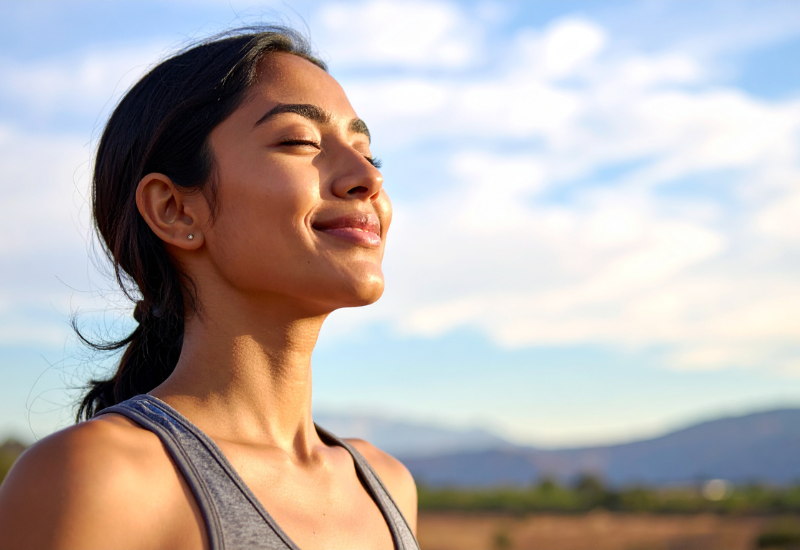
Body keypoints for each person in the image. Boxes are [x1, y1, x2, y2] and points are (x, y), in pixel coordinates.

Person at [0, 26, 418, 550]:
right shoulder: (96, 480)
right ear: (174, 209)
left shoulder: (385, 486)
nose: (366, 177)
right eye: (299, 141)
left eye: (368, 153)